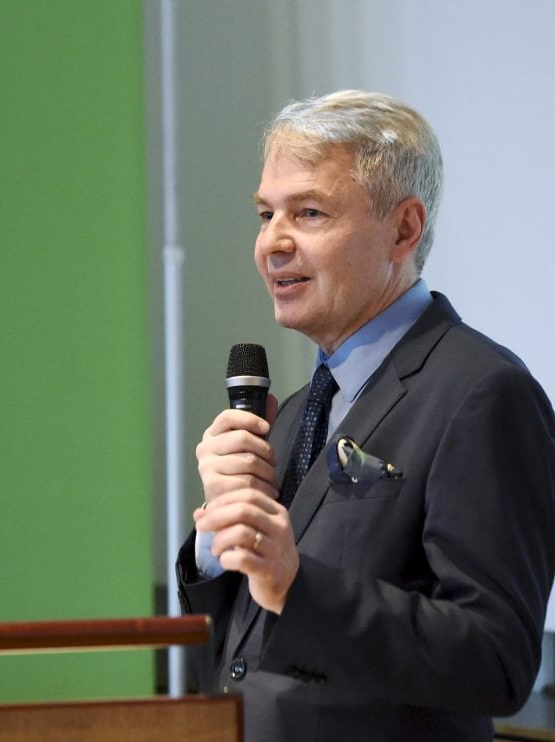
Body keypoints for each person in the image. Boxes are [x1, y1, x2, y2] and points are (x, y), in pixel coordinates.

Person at [176, 89, 555, 740]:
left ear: (403, 229)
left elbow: (497, 659)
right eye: (266, 214)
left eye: (309, 212)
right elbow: (240, 661)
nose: (272, 243)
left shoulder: (483, 393)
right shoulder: (295, 413)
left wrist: (296, 586)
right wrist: (218, 541)